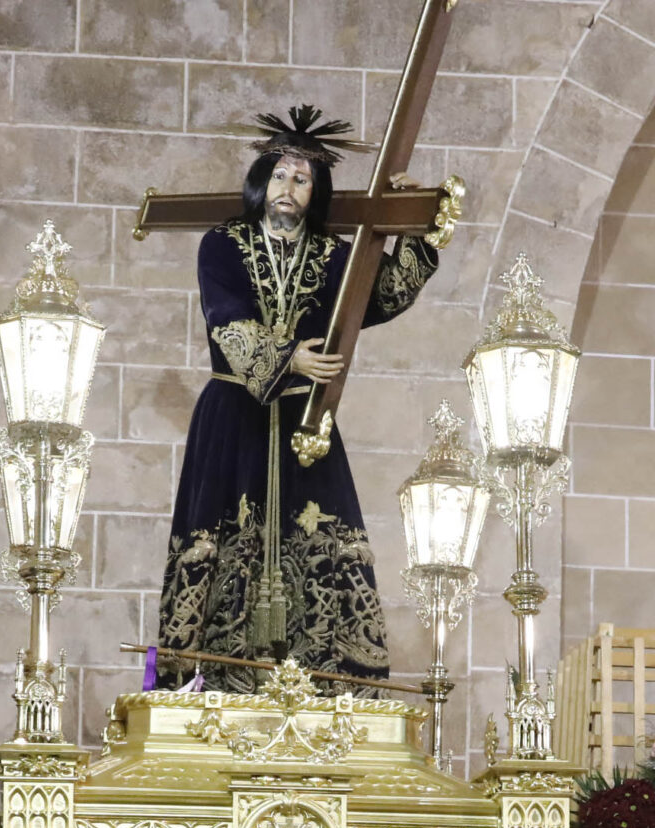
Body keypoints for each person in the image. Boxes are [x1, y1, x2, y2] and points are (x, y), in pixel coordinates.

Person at [155, 105, 441, 684]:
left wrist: (410, 223)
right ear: (263, 181)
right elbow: (226, 318)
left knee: (320, 536)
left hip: (308, 420)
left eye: (303, 179)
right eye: (281, 175)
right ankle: (207, 677)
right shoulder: (224, 244)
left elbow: (379, 297)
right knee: (218, 535)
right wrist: (289, 359)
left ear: (317, 191)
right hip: (235, 412)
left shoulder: (334, 254)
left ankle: (325, 681)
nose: (289, 188)